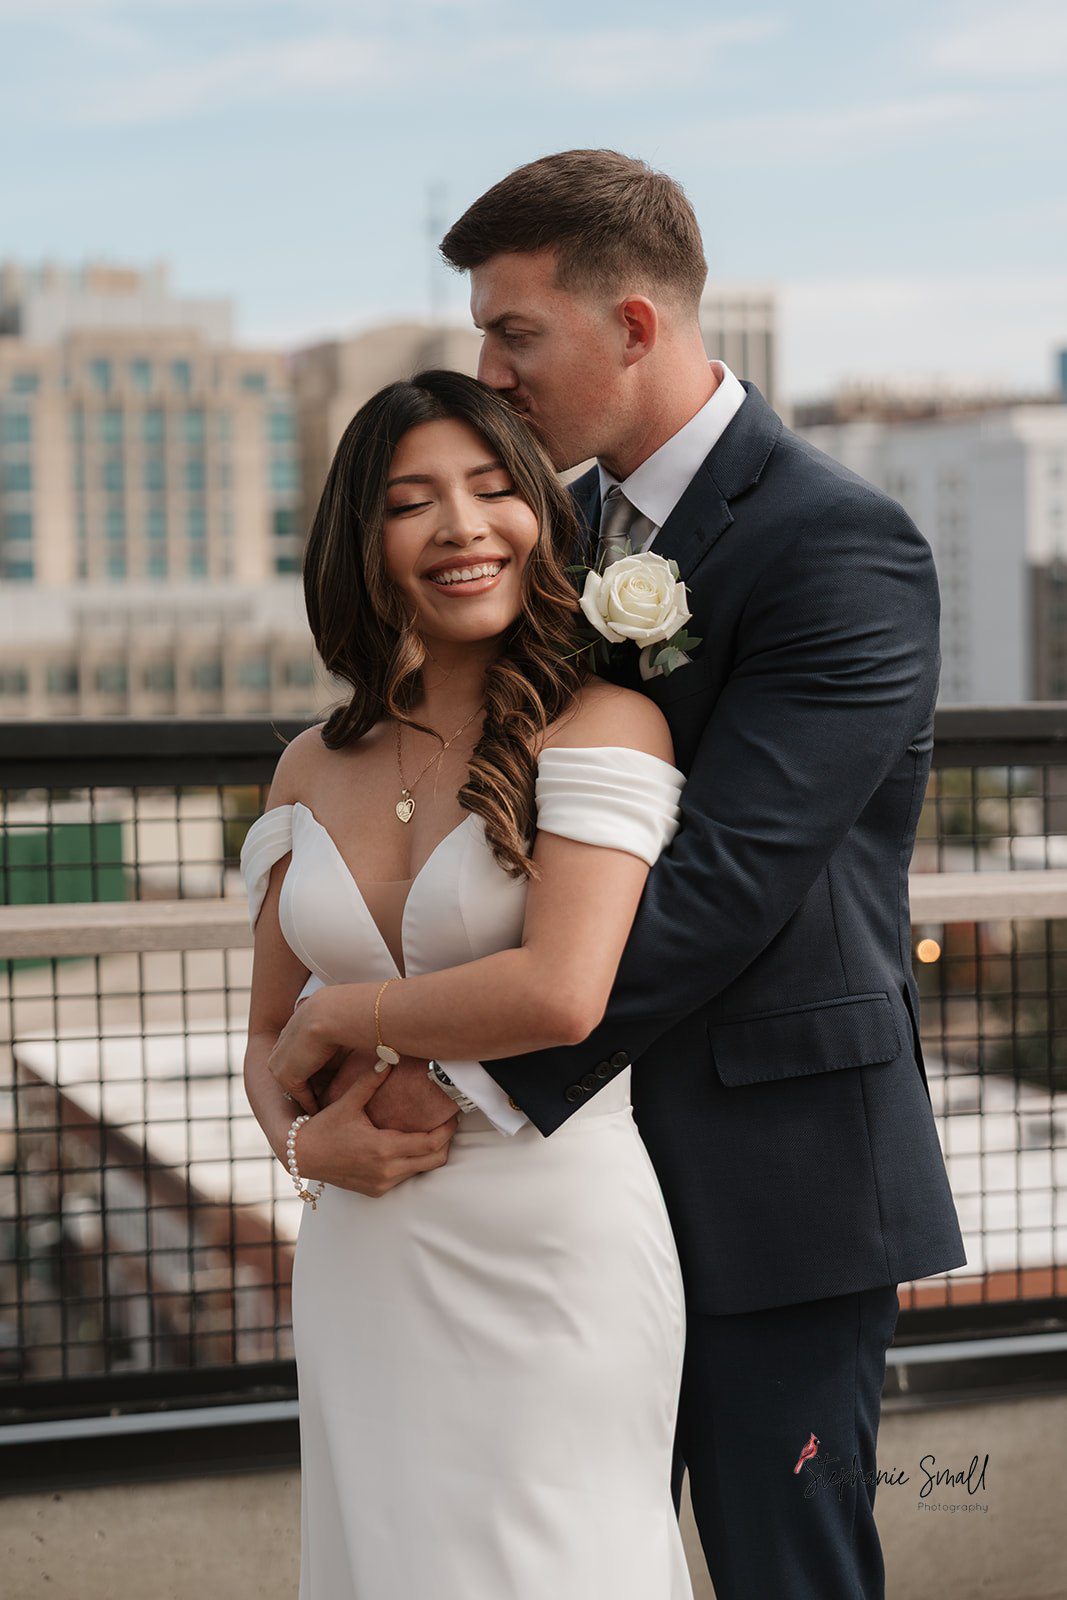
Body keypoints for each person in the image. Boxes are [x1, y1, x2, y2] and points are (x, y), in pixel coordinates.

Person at [419, 148, 966, 1600]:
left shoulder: (837, 545)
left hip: (773, 1191)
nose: (488, 369)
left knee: (783, 1574)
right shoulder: (570, 535)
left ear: (635, 326)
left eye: (513, 331)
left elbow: (726, 880)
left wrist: (459, 1072)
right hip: (581, 1196)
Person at [241, 366, 697, 1599]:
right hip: (364, 1259)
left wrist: (350, 1016)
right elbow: (264, 1033)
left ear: (541, 522)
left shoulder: (603, 725)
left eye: (496, 488)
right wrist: (303, 1146)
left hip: (555, 1242)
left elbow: (559, 993)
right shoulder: (304, 765)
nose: (460, 526)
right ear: (364, 538)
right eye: (412, 500)